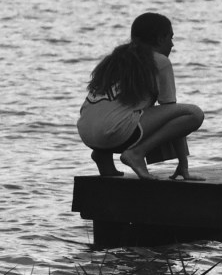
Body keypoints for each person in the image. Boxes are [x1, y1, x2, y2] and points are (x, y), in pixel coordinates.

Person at [78, 13, 205, 180]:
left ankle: (103, 156)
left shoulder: (115, 59)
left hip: (86, 132)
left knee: (118, 111)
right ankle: (136, 154)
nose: (172, 44)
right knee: (194, 114)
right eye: (171, 38)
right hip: (115, 134)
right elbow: (171, 110)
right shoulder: (160, 61)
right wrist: (183, 165)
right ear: (160, 39)